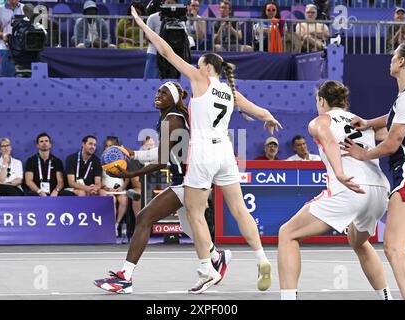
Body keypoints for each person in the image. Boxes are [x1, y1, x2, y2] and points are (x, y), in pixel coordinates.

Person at [130, 6, 282, 294]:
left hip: (202, 153)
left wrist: (141, 24)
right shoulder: (230, 91)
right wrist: (269, 117)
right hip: (225, 150)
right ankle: (262, 257)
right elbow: (258, 111)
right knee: (239, 209)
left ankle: (206, 268)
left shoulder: (201, 81)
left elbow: (165, 51)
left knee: (195, 211)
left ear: (208, 67)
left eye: (199, 64)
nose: (196, 67)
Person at [93, 81, 231, 294]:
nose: (158, 94)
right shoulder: (171, 118)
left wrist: (131, 173)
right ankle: (215, 257)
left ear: (174, 99)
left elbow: (162, 159)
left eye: (164, 92)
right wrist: (134, 154)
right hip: (186, 179)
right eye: (158, 91)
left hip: (188, 180)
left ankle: (125, 278)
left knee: (144, 218)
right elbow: (165, 151)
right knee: (189, 227)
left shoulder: (173, 120)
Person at [278, 80, 393, 300]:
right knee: (358, 241)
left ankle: (288, 298)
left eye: (317, 100)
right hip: (379, 191)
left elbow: (328, 139)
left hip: (349, 188)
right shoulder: (363, 122)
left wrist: (339, 173)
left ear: (321, 100)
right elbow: (392, 135)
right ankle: (387, 297)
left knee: (287, 234)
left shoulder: (319, 121)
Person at [342, 41, 405, 299]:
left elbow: (393, 142)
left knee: (393, 247)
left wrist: (363, 154)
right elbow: (392, 117)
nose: (391, 58)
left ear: (402, 62)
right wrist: (367, 124)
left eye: (394, 55)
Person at [101, 136, 130, 240]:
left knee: (123, 200)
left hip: (120, 189)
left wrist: (122, 187)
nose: (108, 148)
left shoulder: (122, 161)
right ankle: (110, 226)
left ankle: (116, 224)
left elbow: (127, 177)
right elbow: (98, 180)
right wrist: (107, 189)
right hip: (106, 189)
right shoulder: (101, 161)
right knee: (111, 200)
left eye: (111, 146)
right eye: (107, 146)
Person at [144, 0, 180, 79]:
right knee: (150, 80)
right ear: (163, 3)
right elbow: (147, 36)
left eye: (172, 3)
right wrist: (160, 42)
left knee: (170, 82)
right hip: (154, 53)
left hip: (171, 54)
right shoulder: (152, 17)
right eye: (168, 2)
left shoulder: (179, 18)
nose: (169, 5)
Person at [0, 0, 24, 77]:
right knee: (6, 80)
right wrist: (4, 35)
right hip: (6, 49)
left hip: (23, 49)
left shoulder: (24, 8)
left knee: (23, 80)